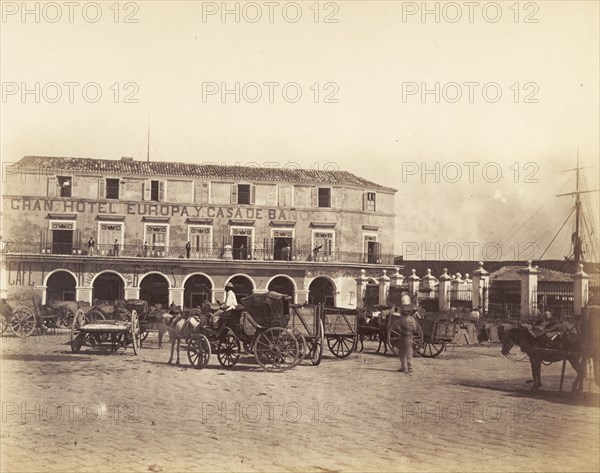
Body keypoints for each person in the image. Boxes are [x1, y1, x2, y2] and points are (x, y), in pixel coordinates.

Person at [397, 308, 418, 374]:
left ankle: (404, 367)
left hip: (403, 336)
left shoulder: (401, 319)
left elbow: (398, 327)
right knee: (409, 352)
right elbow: (415, 329)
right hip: (410, 336)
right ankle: (409, 367)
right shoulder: (412, 319)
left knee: (401, 351)